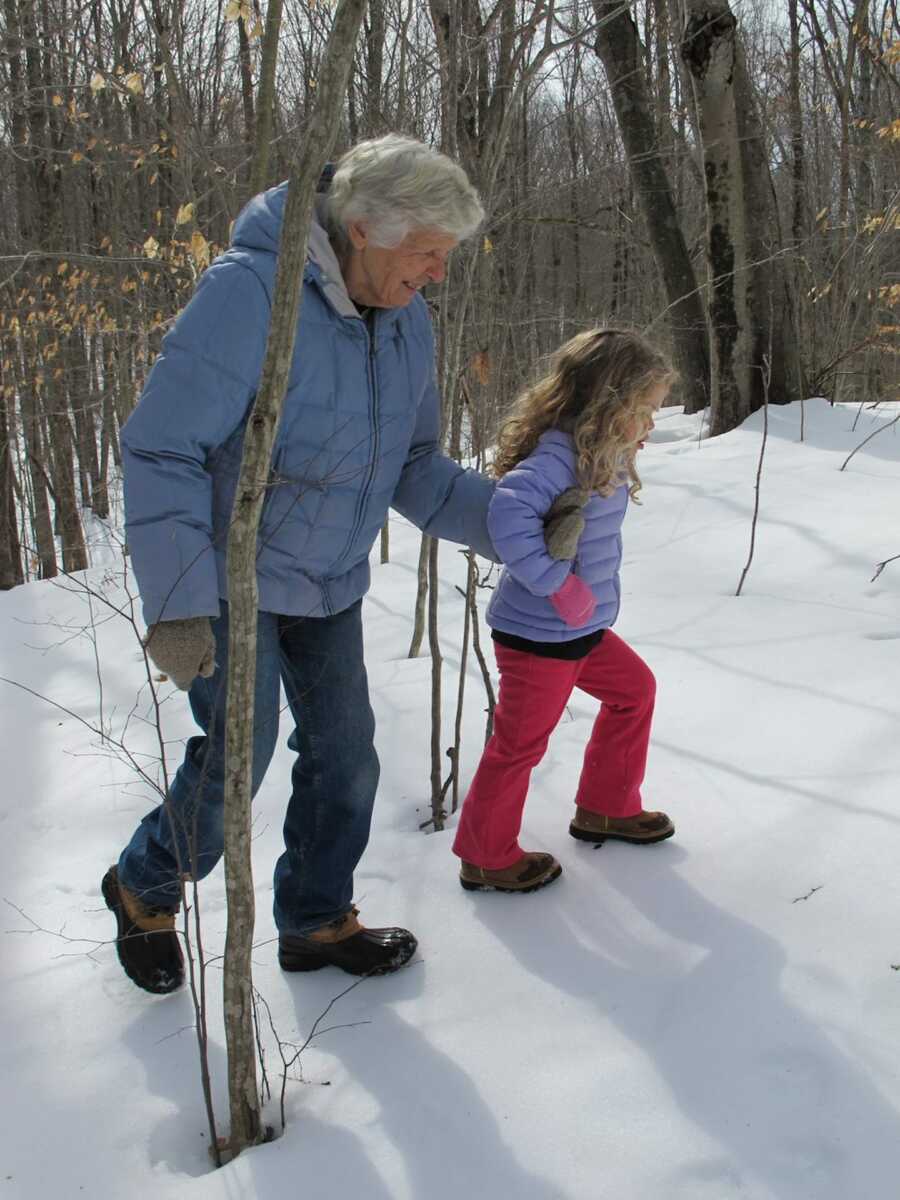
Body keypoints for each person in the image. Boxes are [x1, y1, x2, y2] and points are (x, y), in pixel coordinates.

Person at [103, 134, 496, 994]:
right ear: (364, 229)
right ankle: (144, 886)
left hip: (328, 581)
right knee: (241, 751)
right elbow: (161, 447)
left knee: (347, 755)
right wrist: (177, 601)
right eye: (426, 252)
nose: (437, 272)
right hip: (229, 577)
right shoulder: (252, 294)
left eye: (444, 256)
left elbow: (417, 468)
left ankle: (316, 918)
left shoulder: (408, 322)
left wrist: (512, 523)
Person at [451, 328, 675, 893]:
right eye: (643, 410)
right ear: (606, 401)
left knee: (635, 691)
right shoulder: (556, 457)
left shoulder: (600, 454)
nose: (650, 424)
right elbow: (509, 517)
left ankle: (606, 807)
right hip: (538, 638)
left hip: (580, 630)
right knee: (520, 745)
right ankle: (484, 855)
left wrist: (584, 604)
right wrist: (560, 586)